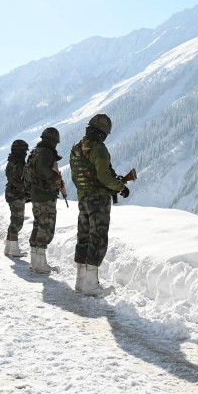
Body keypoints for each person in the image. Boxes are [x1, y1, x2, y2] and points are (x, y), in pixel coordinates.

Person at [69, 114, 129, 296]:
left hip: (83, 198)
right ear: (103, 132)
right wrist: (121, 187)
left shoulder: (76, 148)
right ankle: (91, 285)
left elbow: (75, 176)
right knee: (98, 237)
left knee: (84, 236)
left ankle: (80, 281)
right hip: (99, 200)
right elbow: (103, 176)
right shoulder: (99, 149)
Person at [26, 127, 67, 274]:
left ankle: (35, 262)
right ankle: (40, 264)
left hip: (36, 194)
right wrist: (56, 178)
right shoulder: (47, 152)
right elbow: (44, 169)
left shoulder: (36, 151)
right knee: (45, 228)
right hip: (45, 195)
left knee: (38, 226)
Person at [4, 139, 29, 257]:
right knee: (17, 222)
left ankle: (9, 247)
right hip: (16, 194)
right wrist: (26, 189)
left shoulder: (12, 161)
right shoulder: (17, 163)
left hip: (12, 193)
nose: (25, 153)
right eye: (24, 151)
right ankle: (13, 249)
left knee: (14, 220)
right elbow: (17, 180)